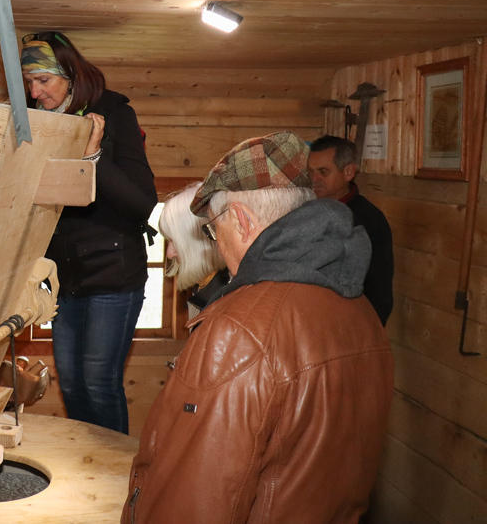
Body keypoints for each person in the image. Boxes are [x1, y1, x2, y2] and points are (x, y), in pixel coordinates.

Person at [123, 131, 393, 524]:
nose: (217, 244)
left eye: (213, 230)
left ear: (241, 220)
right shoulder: (360, 311)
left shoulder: (237, 331)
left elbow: (194, 501)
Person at [21, 31, 158, 435]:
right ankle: (83, 463)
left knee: (99, 383)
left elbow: (142, 203)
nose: (35, 92)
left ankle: (113, 467)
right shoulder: (35, 123)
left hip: (113, 273)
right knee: (72, 384)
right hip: (64, 278)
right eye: (29, 82)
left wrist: (92, 157)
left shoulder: (114, 113)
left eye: (43, 80)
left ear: (71, 75)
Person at [309, 135, 394, 324]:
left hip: (348, 324)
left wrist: (364, 331)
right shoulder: (303, 212)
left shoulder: (369, 220)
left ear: (348, 172)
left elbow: (379, 291)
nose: (314, 179)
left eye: (323, 172)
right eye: (310, 171)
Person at [157, 182, 229, 318]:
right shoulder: (204, 288)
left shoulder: (224, 299)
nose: (170, 254)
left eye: (175, 242)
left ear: (199, 240)